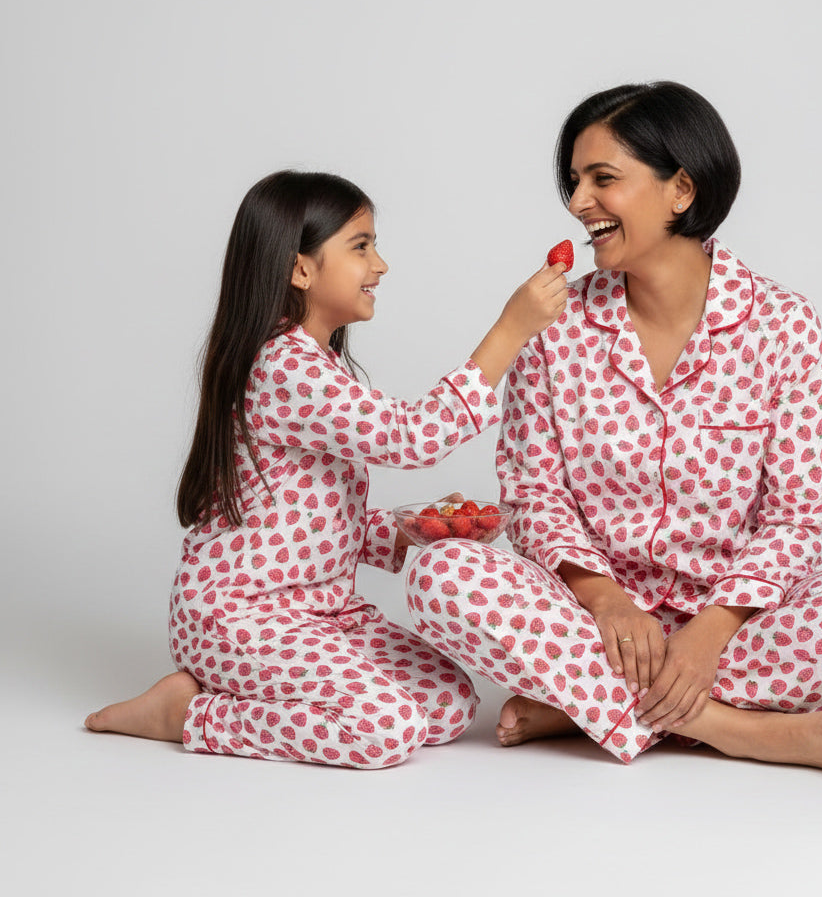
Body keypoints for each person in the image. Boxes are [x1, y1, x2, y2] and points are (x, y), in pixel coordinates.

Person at [407, 82, 822, 778]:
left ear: (680, 189)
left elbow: (800, 519)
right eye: (574, 182)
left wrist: (710, 635)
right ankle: (731, 729)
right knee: (442, 574)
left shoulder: (784, 324)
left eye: (603, 179)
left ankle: (581, 707)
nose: (577, 203)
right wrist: (607, 601)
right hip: (594, 621)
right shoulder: (553, 323)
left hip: (736, 621)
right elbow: (536, 497)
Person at [85, 170, 568, 768]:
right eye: (361, 246)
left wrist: (420, 528)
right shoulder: (284, 365)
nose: (381, 264)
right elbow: (410, 437)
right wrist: (510, 330)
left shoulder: (319, 363)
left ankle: (252, 693)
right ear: (301, 269)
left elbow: (310, 515)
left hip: (322, 610)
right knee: (387, 730)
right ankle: (186, 714)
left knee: (447, 705)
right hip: (240, 613)